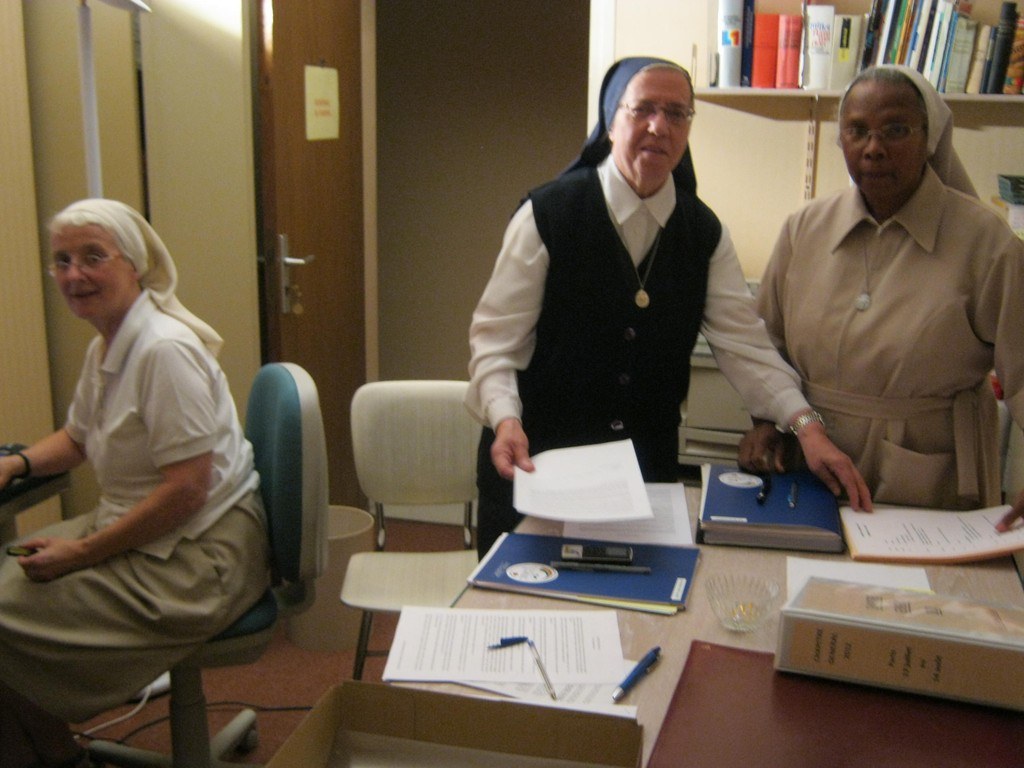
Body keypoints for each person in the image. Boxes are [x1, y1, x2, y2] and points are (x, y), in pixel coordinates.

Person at [466, 56, 871, 558]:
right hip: (536, 466)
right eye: (643, 110)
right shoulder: (547, 215)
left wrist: (807, 427)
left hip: (641, 475)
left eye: (677, 114)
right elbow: (496, 342)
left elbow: (745, 347)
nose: (660, 126)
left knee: (631, 601)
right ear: (611, 121)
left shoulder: (703, 233)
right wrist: (505, 418)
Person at [0, 199, 270, 767]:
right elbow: (77, 438)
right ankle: (54, 751)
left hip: (203, 555)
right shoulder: (109, 343)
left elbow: (188, 490)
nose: (74, 274)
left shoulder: (163, 350)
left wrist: (82, 553)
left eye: (92, 257)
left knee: (7, 612)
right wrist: (15, 464)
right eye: (62, 261)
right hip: (156, 529)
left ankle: (49, 753)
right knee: (9, 582)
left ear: (135, 264)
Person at [738, 65, 1024, 532]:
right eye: (857, 131)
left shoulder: (986, 243)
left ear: (929, 138)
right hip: (811, 465)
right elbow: (766, 348)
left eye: (895, 130)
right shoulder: (804, 229)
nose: (873, 148)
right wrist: (767, 422)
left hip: (932, 479)